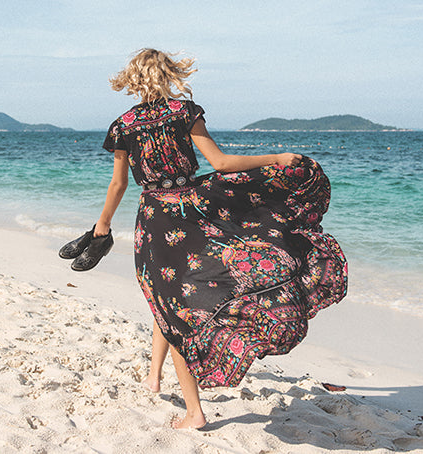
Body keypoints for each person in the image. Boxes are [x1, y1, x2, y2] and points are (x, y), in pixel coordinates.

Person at [93, 48, 347, 429]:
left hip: (154, 220)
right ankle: (156, 376)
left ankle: (191, 410)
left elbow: (118, 184)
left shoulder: (122, 125)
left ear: (132, 79)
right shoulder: (184, 111)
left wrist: (102, 226)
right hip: (192, 211)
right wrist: (275, 158)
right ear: (168, 74)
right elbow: (222, 164)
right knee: (178, 300)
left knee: (167, 300)